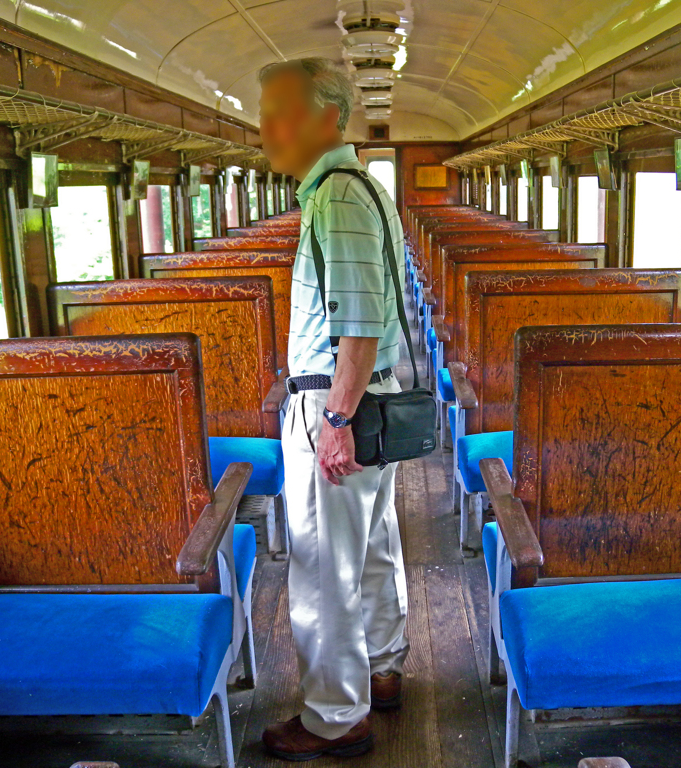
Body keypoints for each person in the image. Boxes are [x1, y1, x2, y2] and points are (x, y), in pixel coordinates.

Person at [257, 58, 410, 761]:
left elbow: (359, 324)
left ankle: (334, 715)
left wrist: (336, 422)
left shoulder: (339, 198)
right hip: (360, 398)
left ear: (327, 117)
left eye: (280, 111)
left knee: (323, 564)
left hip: (336, 400)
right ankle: (380, 666)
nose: (266, 127)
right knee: (372, 545)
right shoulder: (357, 190)